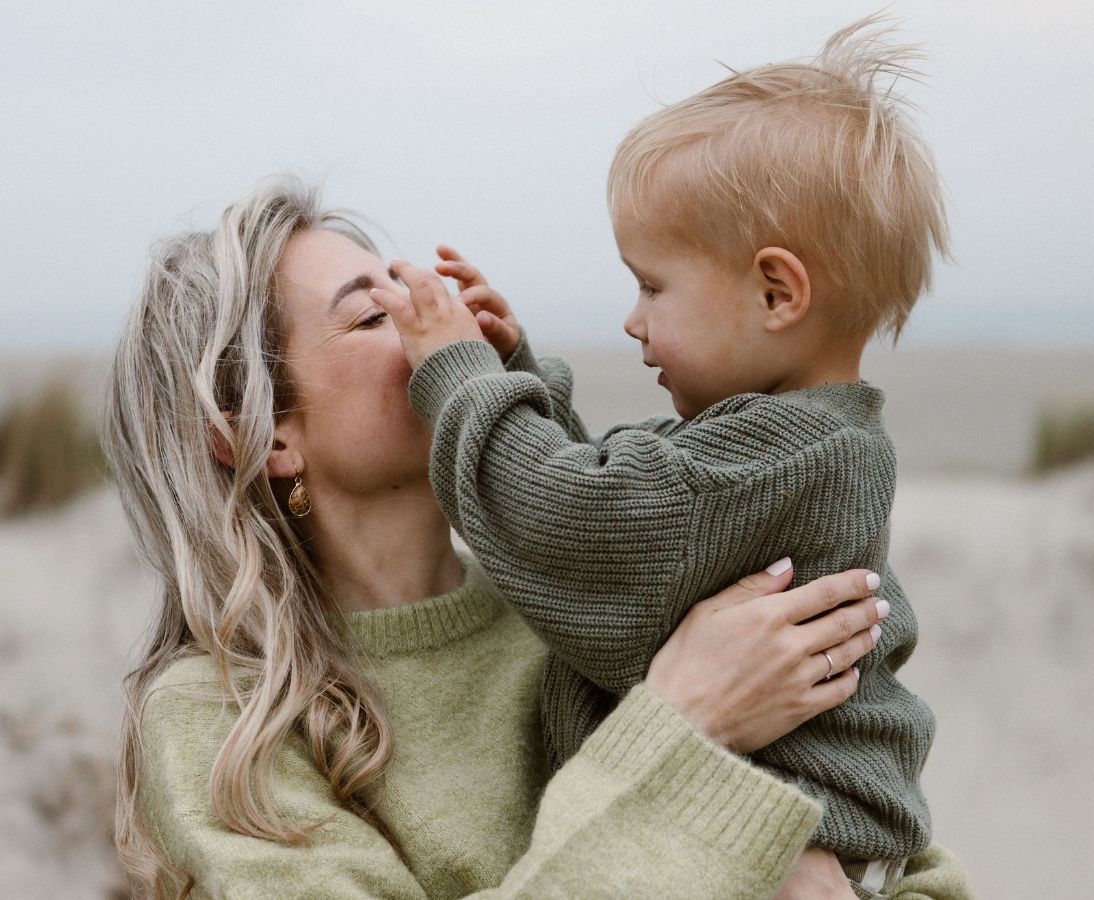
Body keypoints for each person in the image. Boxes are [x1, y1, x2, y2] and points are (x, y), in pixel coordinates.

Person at [102, 179, 970, 899]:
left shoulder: (596, 592)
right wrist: (683, 726)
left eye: (421, 299)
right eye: (374, 317)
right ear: (257, 432)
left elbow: (908, 854)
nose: (442, 327)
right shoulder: (223, 719)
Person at [371, 17, 945, 897]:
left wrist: (458, 375)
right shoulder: (807, 439)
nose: (632, 321)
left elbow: (573, 523)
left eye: (652, 285)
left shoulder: (770, 454)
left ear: (776, 292)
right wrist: (513, 373)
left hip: (777, 848)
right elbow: (624, 518)